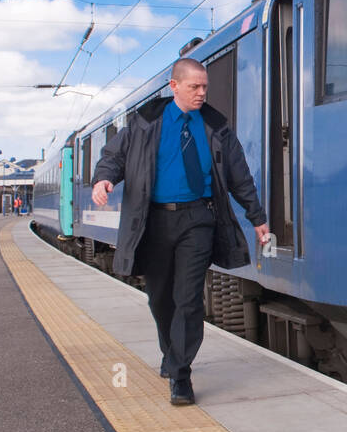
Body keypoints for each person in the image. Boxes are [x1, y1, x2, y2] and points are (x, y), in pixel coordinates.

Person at [91, 57, 270, 405]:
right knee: (160, 299)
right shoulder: (145, 124)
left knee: (188, 299)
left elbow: (239, 175)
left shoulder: (216, 128)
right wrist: (104, 179)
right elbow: (114, 156)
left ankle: (181, 374)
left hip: (198, 220)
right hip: (154, 221)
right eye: (194, 87)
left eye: (205, 87)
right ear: (174, 87)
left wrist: (257, 217)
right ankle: (171, 353)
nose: (202, 93)